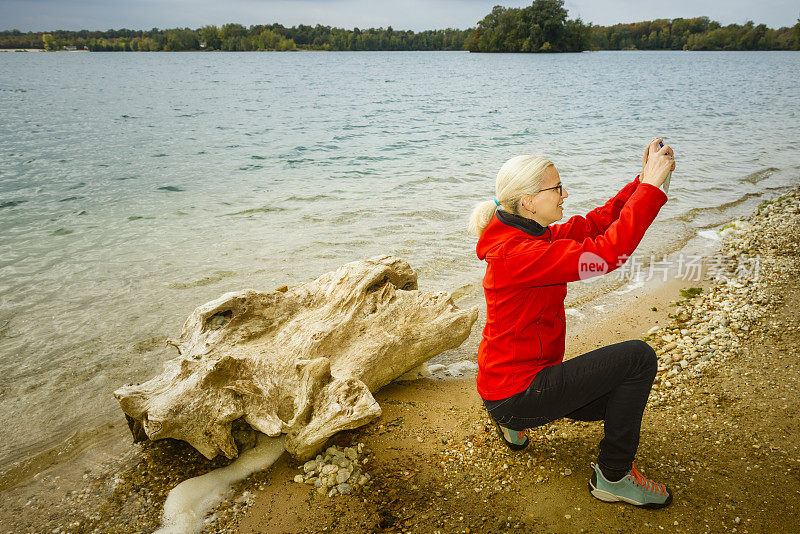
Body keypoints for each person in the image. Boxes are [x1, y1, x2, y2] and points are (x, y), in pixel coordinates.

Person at [468, 138, 676, 509]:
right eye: (557, 187)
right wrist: (650, 190)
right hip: (518, 393)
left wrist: (642, 181)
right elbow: (607, 255)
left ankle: (511, 423)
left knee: (618, 392)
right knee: (638, 360)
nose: (565, 193)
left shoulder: (525, 233)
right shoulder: (520, 254)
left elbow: (595, 224)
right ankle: (614, 476)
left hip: (504, 382)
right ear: (529, 202)